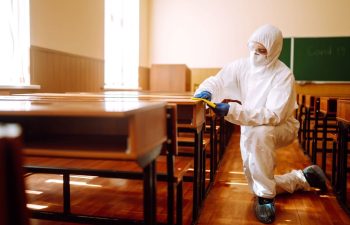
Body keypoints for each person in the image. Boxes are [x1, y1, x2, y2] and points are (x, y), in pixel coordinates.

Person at [193, 24, 327, 224]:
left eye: (262, 51)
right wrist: (207, 91)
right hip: (250, 123)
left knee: (260, 134)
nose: (256, 54)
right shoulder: (242, 66)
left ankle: (266, 199)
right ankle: (304, 178)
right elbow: (218, 81)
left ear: (273, 50)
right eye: (253, 48)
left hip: (282, 126)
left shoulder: (283, 74)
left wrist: (232, 111)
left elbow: (273, 115)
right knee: (254, 179)